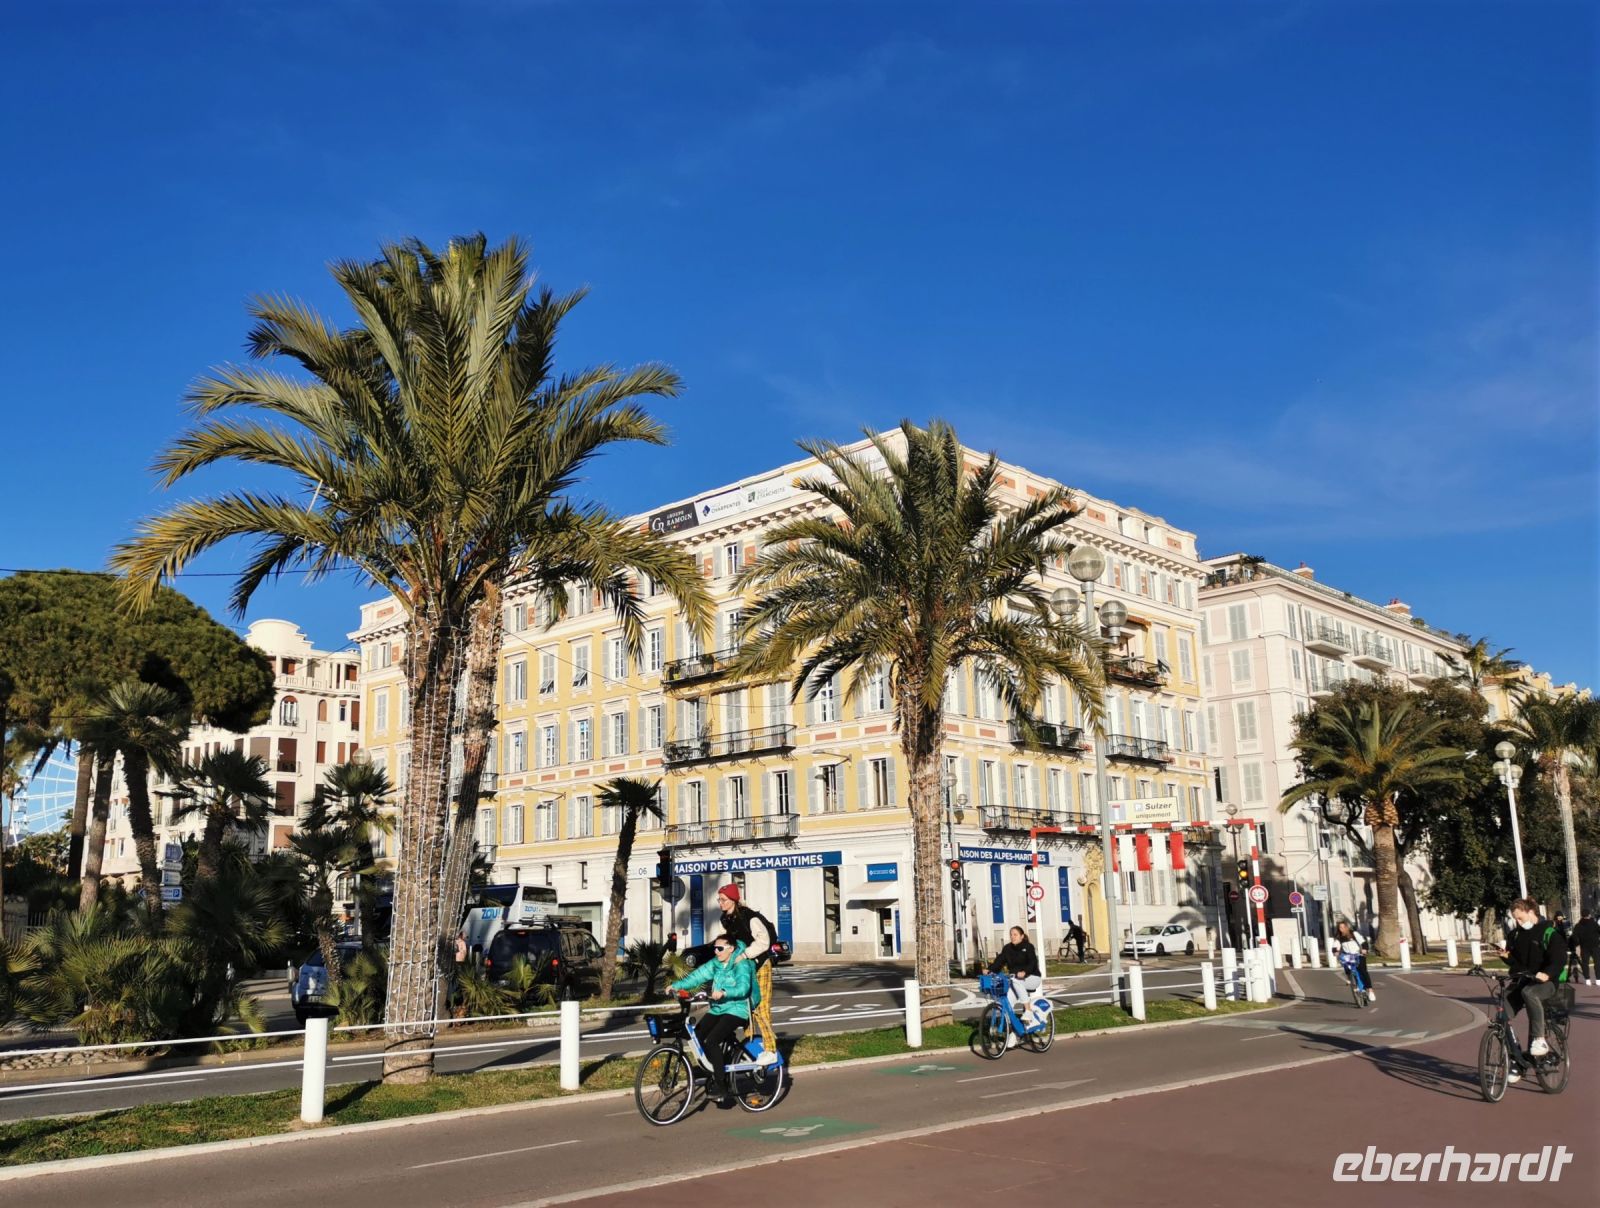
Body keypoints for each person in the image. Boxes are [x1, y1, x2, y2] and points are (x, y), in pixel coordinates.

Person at [668, 934, 755, 1103]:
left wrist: (724, 992)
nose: (716, 951)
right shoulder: (715, 964)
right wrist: (676, 986)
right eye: (715, 948)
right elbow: (697, 976)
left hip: (737, 1009)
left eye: (720, 948)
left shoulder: (740, 964)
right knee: (698, 1037)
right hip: (718, 1008)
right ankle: (713, 1067)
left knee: (712, 1041)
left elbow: (744, 988)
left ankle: (721, 1086)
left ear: (731, 949)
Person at [1498, 897, 1568, 1081]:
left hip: (1546, 983)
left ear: (1531, 912)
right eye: (1515, 919)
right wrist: (1506, 957)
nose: (1518, 922)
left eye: (1520, 918)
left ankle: (1539, 1040)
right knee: (1501, 1012)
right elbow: (1516, 962)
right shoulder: (1515, 935)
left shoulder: (1549, 932)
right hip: (1523, 980)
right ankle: (1517, 1060)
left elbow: (1559, 958)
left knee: (1530, 993)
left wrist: (1547, 973)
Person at [715, 884, 780, 1064]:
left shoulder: (749, 917)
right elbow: (724, 942)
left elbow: (764, 942)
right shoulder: (725, 920)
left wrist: (744, 955)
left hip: (760, 966)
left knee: (761, 1008)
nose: (720, 903)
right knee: (744, 1008)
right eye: (719, 899)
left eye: (724, 899)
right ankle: (749, 1046)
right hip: (743, 969)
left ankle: (770, 1050)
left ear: (734, 900)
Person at [989, 926, 1043, 1048]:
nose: (1012, 937)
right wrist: (989, 970)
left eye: (1015, 934)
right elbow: (999, 962)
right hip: (1015, 981)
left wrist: (1025, 972)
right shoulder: (1007, 948)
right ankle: (1014, 1034)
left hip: (1032, 978)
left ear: (1022, 936)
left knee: (1017, 981)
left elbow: (1032, 963)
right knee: (1007, 1006)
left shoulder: (1028, 947)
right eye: (1011, 934)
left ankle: (1028, 1010)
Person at [1334, 921, 1373, 1003]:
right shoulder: (1339, 937)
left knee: (1363, 971)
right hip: (1348, 956)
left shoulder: (1354, 934)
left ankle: (1370, 990)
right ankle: (1349, 977)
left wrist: (1364, 949)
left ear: (1347, 927)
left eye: (1343, 927)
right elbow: (1335, 945)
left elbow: (1363, 942)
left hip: (1358, 954)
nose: (1342, 929)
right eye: (1340, 927)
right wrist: (1335, 951)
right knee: (1345, 962)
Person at [1568, 912, 1599, 987]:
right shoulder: (1594, 924)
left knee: (1585, 963)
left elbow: (1574, 936)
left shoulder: (1578, 925)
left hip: (1584, 946)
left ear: (1582, 916)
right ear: (1589, 915)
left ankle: (1587, 979)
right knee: (1597, 963)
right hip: (1595, 945)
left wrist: (1577, 944)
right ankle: (1598, 979)